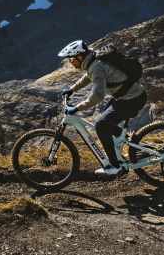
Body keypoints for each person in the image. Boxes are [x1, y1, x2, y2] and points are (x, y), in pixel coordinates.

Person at [57, 40, 147, 177]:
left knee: (101, 125)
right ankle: (130, 143)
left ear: (80, 57)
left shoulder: (95, 66)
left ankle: (115, 166)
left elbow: (98, 96)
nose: (70, 62)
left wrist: (77, 108)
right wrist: (71, 89)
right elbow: (88, 77)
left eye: (71, 59)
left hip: (131, 99)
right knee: (106, 121)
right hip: (127, 96)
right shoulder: (93, 61)